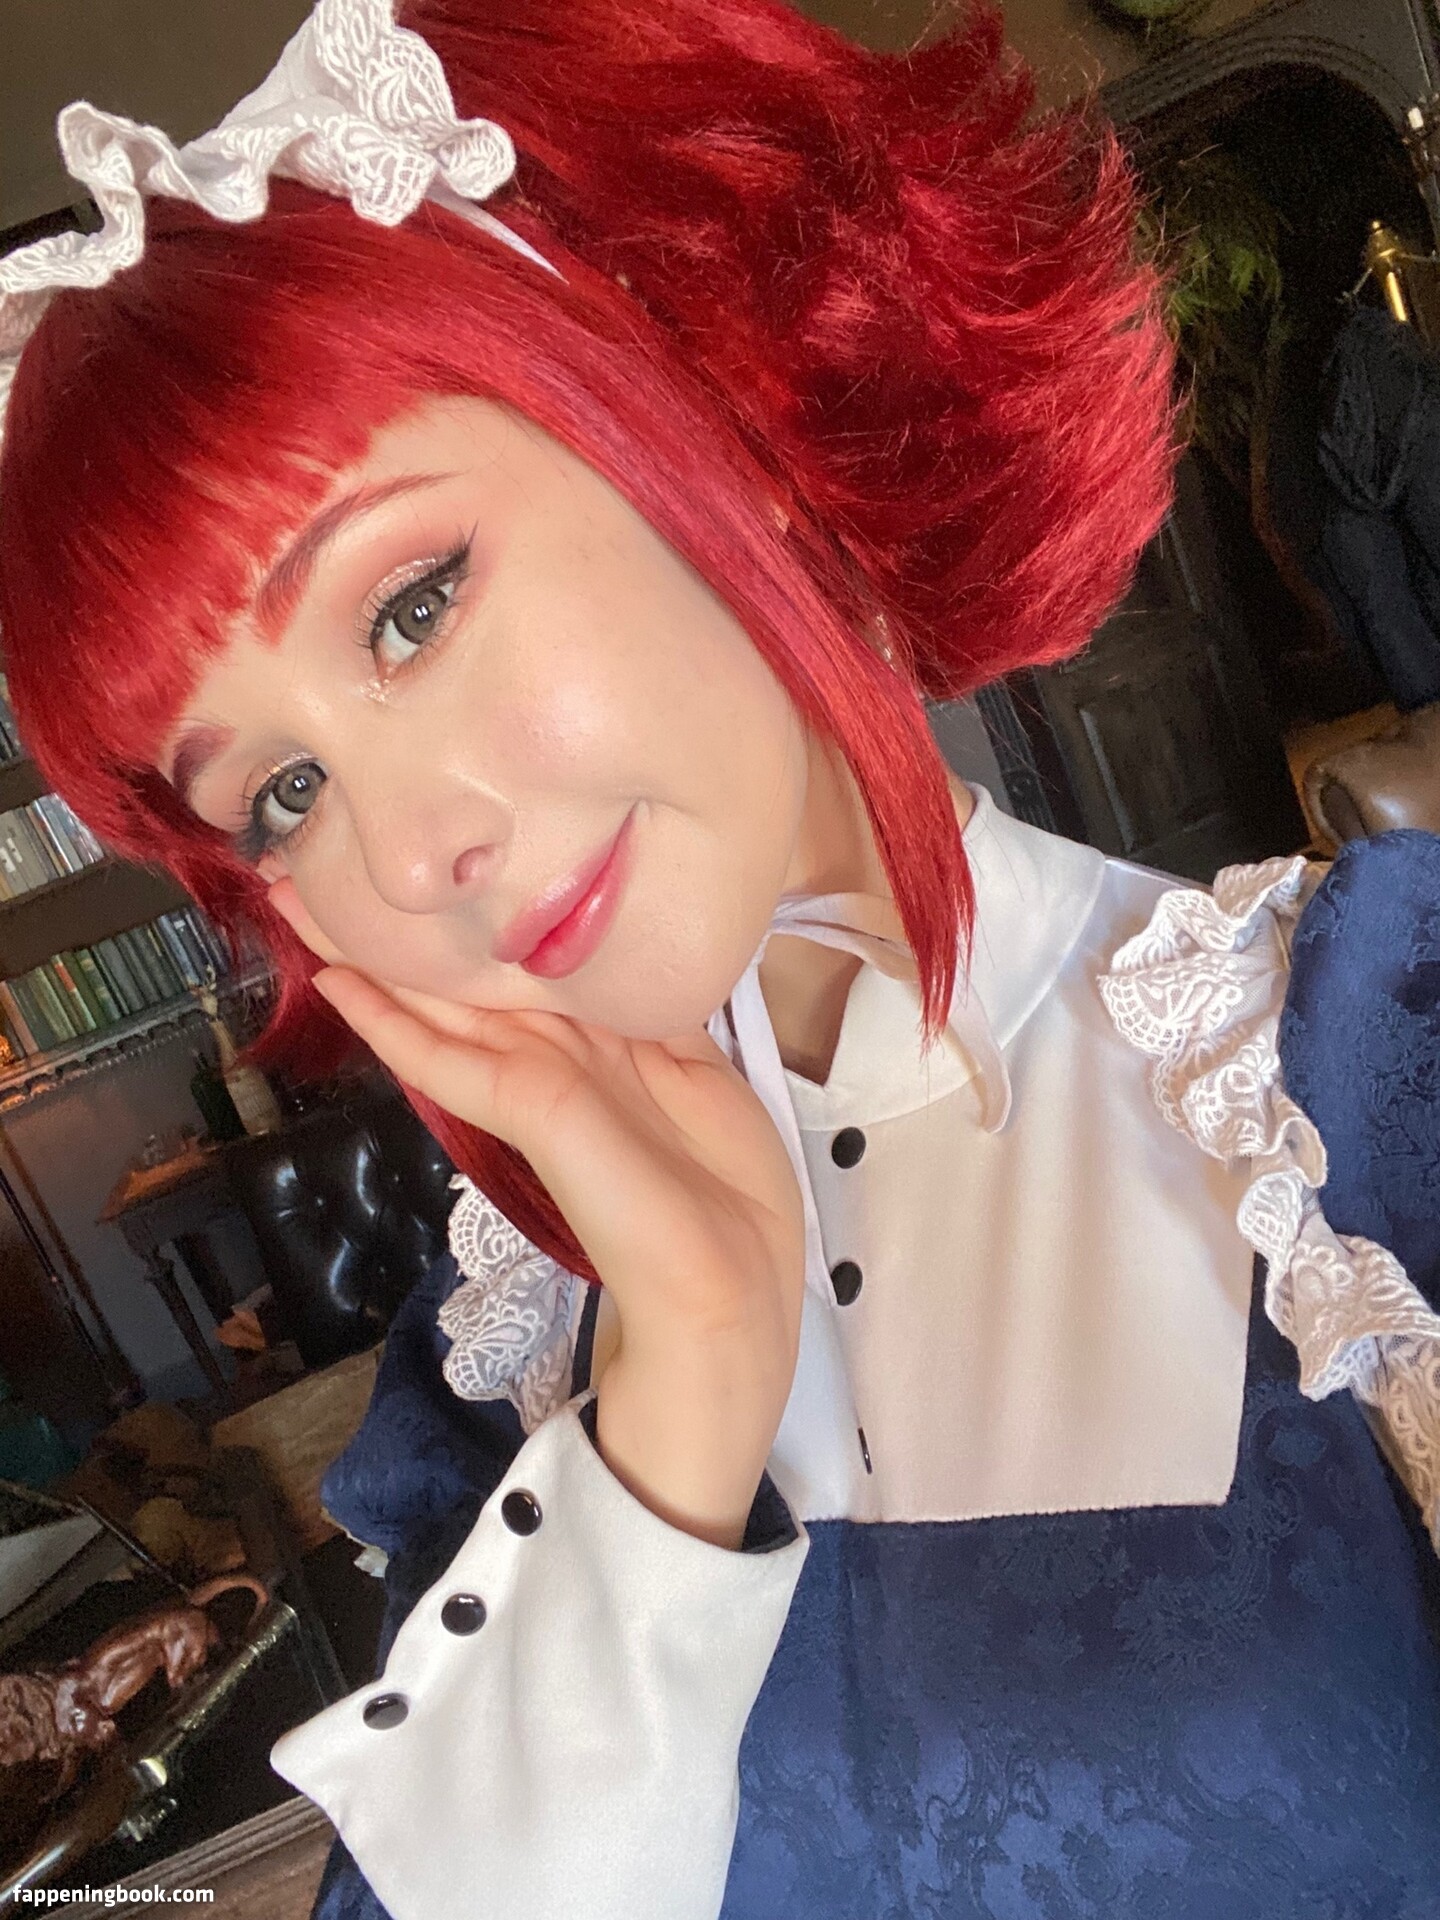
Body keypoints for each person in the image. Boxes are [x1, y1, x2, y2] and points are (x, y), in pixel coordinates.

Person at [1, 3, 1437, 1916]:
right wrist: (677, 1394)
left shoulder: (1369, 1097)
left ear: (715, 438)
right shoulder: (504, 1372)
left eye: (412, 607)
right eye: (281, 797)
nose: (410, 853)